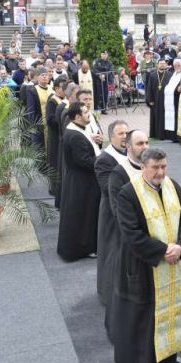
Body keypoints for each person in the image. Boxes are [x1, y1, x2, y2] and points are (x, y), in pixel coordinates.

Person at [112, 148, 181, 363]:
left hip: (173, 262)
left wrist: (180, 246)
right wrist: (162, 252)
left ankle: (170, 356)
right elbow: (130, 234)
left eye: (164, 167)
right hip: (144, 266)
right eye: (156, 168)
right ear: (143, 166)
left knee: (172, 309)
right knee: (146, 316)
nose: (161, 172)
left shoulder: (172, 186)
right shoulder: (128, 193)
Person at [103, 129, 148, 343]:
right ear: (128, 147)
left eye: (147, 142)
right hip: (132, 244)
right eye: (140, 143)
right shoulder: (119, 174)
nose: (145, 147)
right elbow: (118, 212)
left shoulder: (155, 170)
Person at [57, 102, 101, 261]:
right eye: (85, 112)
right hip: (82, 183)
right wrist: (103, 160)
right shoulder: (74, 135)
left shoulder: (76, 129)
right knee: (85, 215)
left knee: (82, 215)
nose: (89, 114)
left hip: (80, 180)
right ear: (77, 117)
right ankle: (85, 248)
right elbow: (85, 161)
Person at [94, 119, 129, 309]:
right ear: (111, 136)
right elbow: (109, 191)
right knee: (111, 254)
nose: (125, 137)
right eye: (121, 134)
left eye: (126, 133)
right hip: (111, 214)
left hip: (126, 212)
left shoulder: (129, 155)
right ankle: (108, 294)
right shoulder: (104, 159)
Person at [46, 76, 69, 196]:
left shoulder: (64, 100)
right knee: (54, 161)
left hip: (62, 134)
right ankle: (54, 189)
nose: (64, 90)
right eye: (62, 87)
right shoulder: (53, 101)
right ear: (56, 88)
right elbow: (50, 119)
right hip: (55, 135)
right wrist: (63, 121)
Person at [146, 59, 169, 140]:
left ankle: (166, 134)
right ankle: (156, 134)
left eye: (164, 63)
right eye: (160, 63)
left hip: (166, 100)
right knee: (156, 117)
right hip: (155, 99)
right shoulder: (153, 75)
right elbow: (149, 88)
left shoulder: (169, 74)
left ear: (166, 65)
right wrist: (150, 100)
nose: (162, 65)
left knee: (165, 117)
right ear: (157, 65)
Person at [162, 59, 181, 142]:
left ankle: (177, 137)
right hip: (171, 99)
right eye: (175, 65)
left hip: (178, 99)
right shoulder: (174, 74)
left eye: (178, 65)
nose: (177, 67)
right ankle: (172, 136)